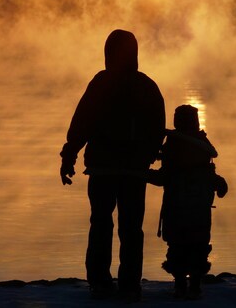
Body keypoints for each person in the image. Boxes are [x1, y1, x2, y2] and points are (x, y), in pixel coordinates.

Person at [60, 29, 166, 301]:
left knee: (101, 224)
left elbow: (82, 122)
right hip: (131, 171)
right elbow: (157, 128)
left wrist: (69, 155)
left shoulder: (101, 82)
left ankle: (101, 282)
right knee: (130, 228)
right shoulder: (147, 86)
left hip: (104, 169)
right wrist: (149, 153)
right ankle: (129, 285)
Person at [148, 105, 228, 300]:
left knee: (178, 246)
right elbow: (207, 172)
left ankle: (181, 285)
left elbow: (164, 177)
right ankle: (194, 285)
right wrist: (219, 183)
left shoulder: (173, 144)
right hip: (199, 208)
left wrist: (141, 174)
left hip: (177, 206)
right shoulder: (202, 143)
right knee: (198, 246)